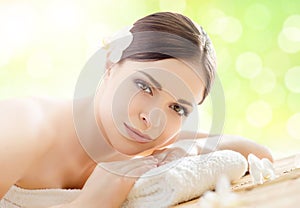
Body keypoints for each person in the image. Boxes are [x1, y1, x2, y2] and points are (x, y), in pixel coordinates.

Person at [0, 12, 273, 208]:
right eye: (144, 86)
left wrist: (183, 151)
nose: (153, 120)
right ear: (110, 62)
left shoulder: (143, 148)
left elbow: (257, 153)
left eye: (177, 108)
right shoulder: (22, 126)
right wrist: (91, 203)